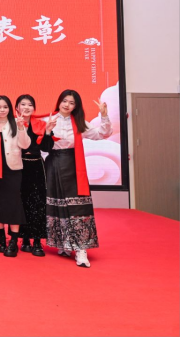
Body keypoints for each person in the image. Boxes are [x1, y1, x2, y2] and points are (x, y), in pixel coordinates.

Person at [43, 89, 112, 268]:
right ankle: (64, 244)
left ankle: (81, 249)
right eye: (64, 101)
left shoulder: (80, 122)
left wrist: (104, 116)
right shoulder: (48, 120)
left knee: (78, 206)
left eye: (71, 103)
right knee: (57, 204)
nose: (67, 105)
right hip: (53, 164)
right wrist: (47, 131)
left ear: (76, 106)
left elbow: (102, 134)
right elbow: (42, 146)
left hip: (74, 164)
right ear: (59, 102)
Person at [0, 95, 31, 258]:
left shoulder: (16, 122)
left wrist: (21, 128)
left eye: (5, 107)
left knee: (13, 204)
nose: (2, 110)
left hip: (13, 169)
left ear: (10, 108)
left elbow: (25, 145)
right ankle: (1, 238)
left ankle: (13, 241)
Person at [15, 94, 52, 257]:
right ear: (17, 108)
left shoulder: (41, 124)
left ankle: (37, 240)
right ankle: (24, 239)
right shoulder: (12, 124)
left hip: (36, 165)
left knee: (38, 204)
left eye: (30, 105)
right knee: (21, 202)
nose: (26, 107)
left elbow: (46, 148)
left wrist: (48, 131)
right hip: (19, 165)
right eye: (23, 104)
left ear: (34, 108)